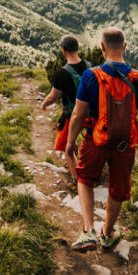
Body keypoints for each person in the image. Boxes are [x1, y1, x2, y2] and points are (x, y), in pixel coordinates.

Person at [65, 27, 138, 251]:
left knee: (85, 179)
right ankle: (107, 233)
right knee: (117, 189)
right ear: (124, 47)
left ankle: (88, 231)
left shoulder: (90, 76)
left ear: (102, 48)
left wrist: (70, 142)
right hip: (125, 145)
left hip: (95, 140)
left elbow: (78, 114)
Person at [40, 35, 90, 184]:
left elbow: (53, 97)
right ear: (77, 49)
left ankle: (76, 179)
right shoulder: (89, 66)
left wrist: (43, 104)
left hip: (72, 115)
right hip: (91, 113)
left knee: (68, 146)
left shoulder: (62, 73)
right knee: (90, 142)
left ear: (63, 50)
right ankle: (88, 168)